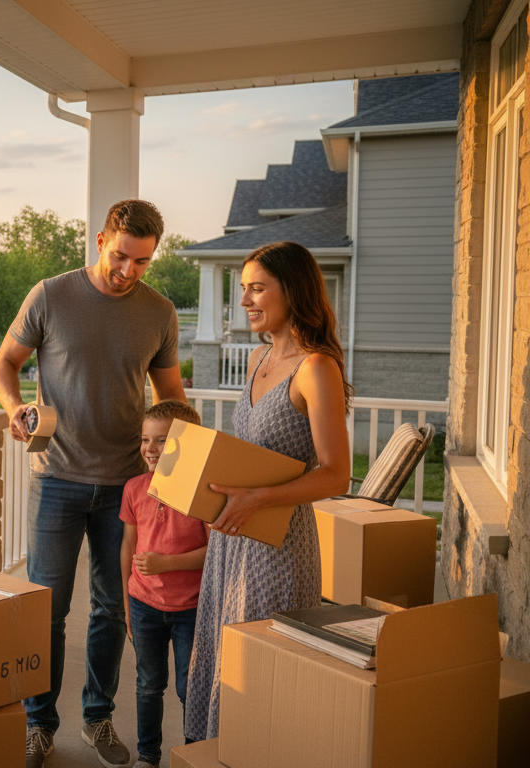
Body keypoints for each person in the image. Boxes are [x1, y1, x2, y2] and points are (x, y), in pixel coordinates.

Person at [0, 199, 187, 768]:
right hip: (55, 479)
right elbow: (4, 364)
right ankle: (38, 723)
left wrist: (176, 469)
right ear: (101, 239)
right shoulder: (51, 295)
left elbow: (172, 404)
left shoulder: (160, 312)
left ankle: (97, 718)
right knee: (46, 610)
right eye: (122, 256)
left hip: (127, 488)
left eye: (143, 262)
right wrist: (12, 406)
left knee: (111, 606)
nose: (129, 271)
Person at [184, 241, 353, 741]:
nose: (245, 301)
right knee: (223, 655)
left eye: (257, 288)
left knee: (260, 672)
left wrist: (256, 499)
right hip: (231, 542)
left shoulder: (316, 368)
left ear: (293, 290)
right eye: (243, 289)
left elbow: (335, 474)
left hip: (278, 547)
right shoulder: (258, 358)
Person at [119, 400, 208, 768]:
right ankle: (148, 756)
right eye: (145, 439)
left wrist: (166, 564)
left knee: (191, 688)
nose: (150, 449)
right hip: (143, 606)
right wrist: (127, 607)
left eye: (161, 441)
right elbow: (128, 547)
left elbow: (213, 553)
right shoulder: (135, 488)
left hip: (190, 609)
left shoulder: (203, 492)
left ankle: (192, 753)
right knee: (148, 684)